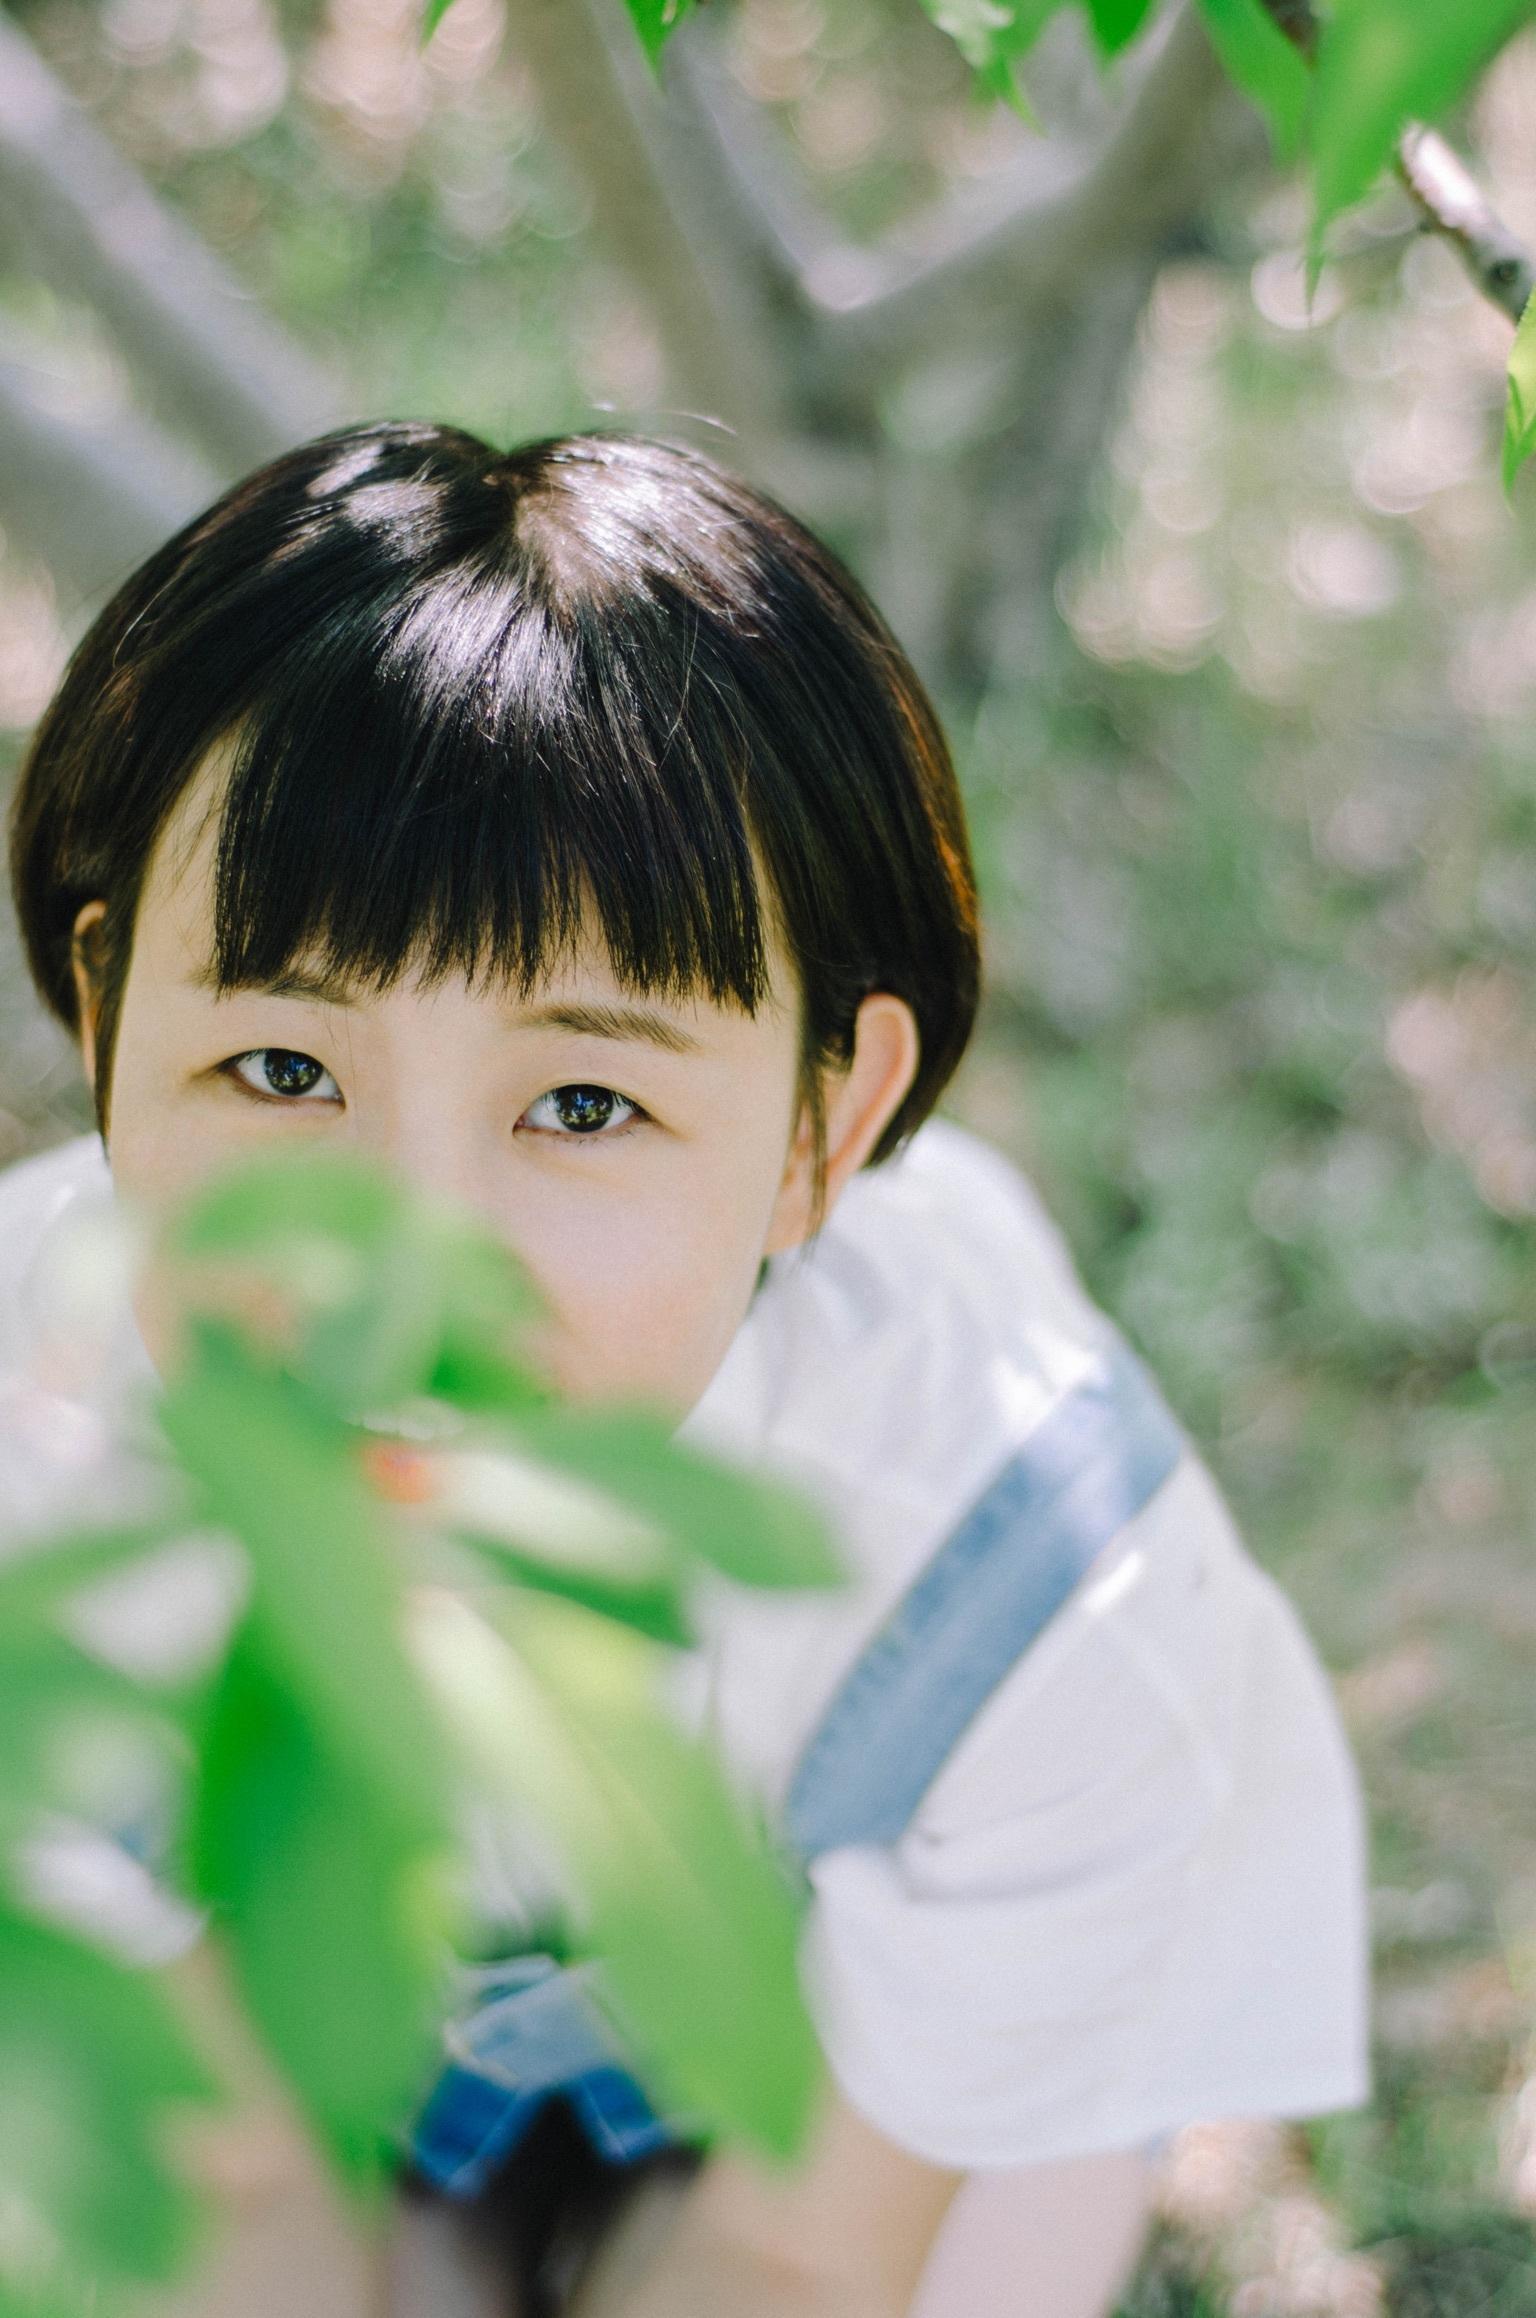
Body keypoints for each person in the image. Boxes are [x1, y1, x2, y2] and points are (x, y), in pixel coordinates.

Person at [0, 419, 1371, 2318]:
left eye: (582, 1100)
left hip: (855, 2073)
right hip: (328, 2039)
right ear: (104, 1018)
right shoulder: (34, 1493)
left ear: (825, 1126)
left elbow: (800, 2249)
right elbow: (230, 2189)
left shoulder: (1024, 1584)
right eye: (286, 1071)